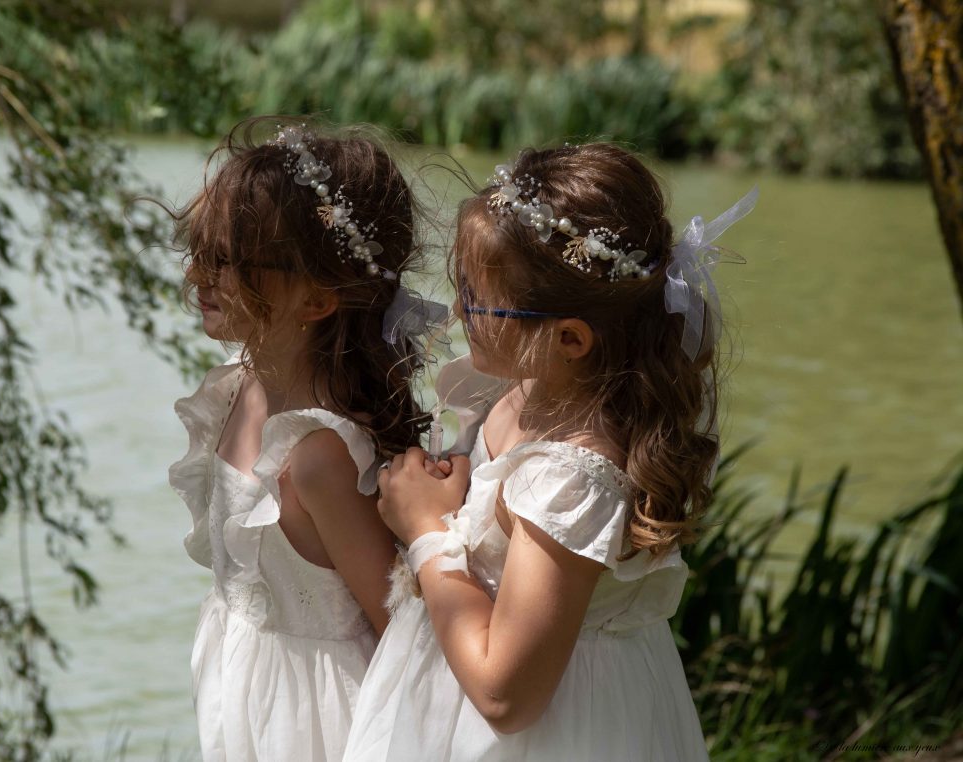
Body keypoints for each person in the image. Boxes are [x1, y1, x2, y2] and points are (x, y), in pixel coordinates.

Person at [344, 143, 757, 761]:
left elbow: (507, 697)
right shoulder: (528, 388)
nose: (458, 310)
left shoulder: (573, 479)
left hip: (556, 734)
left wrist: (427, 528)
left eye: (477, 301)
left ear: (568, 337)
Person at [167, 118, 440, 761]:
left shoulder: (320, 456)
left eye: (227, 260)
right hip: (240, 694)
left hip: (318, 723)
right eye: (200, 249)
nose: (199, 273)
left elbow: (399, 636)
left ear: (317, 300)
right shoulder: (235, 392)